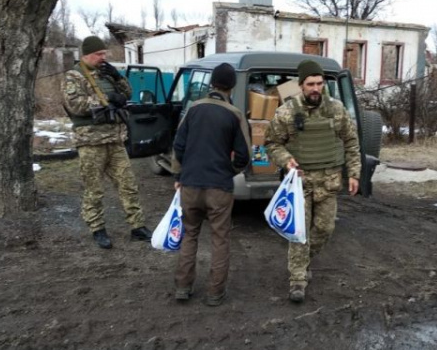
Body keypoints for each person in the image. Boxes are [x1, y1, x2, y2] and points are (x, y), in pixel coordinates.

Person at [265, 60, 361, 303]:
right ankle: (297, 279)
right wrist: (286, 160)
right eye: (311, 84)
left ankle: (304, 262)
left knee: (325, 229)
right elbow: (272, 143)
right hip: (300, 183)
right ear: (301, 85)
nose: (316, 88)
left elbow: (351, 142)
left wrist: (355, 174)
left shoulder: (337, 110)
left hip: (329, 182)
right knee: (300, 233)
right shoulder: (287, 112)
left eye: (319, 83)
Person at [62, 35, 153, 249]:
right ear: (86, 55)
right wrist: (106, 99)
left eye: (104, 54)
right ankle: (98, 228)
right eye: (99, 54)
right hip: (91, 141)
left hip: (114, 139)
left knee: (128, 184)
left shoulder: (106, 73)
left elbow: (128, 93)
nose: (103, 58)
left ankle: (137, 226)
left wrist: (118, 77)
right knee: (94, 188)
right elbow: (75, 105)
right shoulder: (73, 76)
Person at [172, 63, 251, 306]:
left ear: (211, 83)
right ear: (232, 86)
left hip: (191, 186)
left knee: (189, 235)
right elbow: (244, 156)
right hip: (219, 188)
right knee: (219, 239)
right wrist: (229, 171)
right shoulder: (234, 114)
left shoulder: (193, 109)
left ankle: (183, 288)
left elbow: (178, 146)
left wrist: (179, 176)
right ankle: (215, 293)